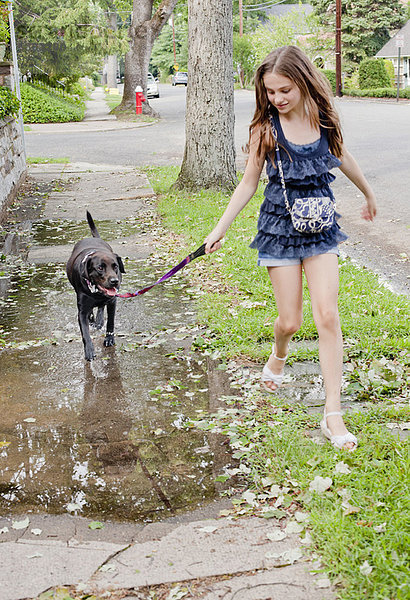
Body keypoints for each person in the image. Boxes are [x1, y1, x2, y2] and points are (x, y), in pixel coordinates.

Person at [204, 46, 376, 451]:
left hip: (319, 228)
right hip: (279, 229)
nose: (277, 99)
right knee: (291, 322)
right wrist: (219, 228)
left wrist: (367, 192)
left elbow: (343, 156)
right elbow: (248, 182)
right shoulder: (265, 129)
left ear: (302, 82)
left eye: (284, 90)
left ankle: (333, 413)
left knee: (328, 316)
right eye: (270, 92)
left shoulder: (324, 120)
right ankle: (279, 353)